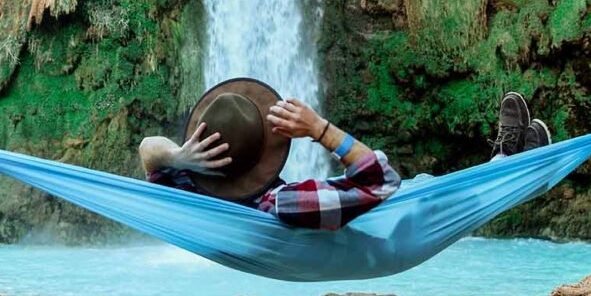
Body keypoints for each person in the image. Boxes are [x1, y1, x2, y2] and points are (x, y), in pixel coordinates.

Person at [139, 80, 551, 231]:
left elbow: (148, 152)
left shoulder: (187, 187)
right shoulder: (282, 205)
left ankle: (503, 164)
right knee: (429, 196)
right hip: (392, 225)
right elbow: (383, 182)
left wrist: (178, 156)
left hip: (375, 208)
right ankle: (520, 178)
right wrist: (318, 128)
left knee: (427, 187)